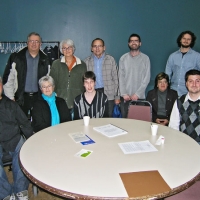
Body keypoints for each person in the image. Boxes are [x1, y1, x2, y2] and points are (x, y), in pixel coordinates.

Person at [3, 32, 50, 118]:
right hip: (20, 98)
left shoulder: (46, 59)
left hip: (39, 98)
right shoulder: (16, 58)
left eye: (37, 41)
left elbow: (49, 80)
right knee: (19, 125)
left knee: (39, 124)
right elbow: (8, 79)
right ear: (27, 43)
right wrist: (11, 98)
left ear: (40, 44)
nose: (34, 44)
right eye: (31, 41)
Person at [0, 76, 33, 200]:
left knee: (22, 153)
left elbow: (24, 122)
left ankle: (20, 190)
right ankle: (5, 194)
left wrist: (31, 139)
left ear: (1, 86)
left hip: (14, 138)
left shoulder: (11, 104)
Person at [50, 39, 87, 114]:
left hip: (77, 102)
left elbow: (84, 83)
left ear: (73, 49)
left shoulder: (82, 64)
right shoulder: (56, 64)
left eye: (69, 47)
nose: (67, 50)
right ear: (61, 50)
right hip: (60, 102)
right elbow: (51, 82)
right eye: (64, 48)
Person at [84, 38, 119, 117]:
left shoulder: (111, 60)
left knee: (108, 118)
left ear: (104, 47)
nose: (97, 48)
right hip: (93, 93)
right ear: (91, 48)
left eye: (100, 46)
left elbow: (116, 79)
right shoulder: (86, 61)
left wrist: (117, 96)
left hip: (109, 93)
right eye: (95, 46)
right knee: (94, 118)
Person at [119, 33, 151, 118]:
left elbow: (146, 78)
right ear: (128, 44)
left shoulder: (145, 59)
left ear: (140, 43)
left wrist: (137, 94)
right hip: (126, 98)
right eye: (131, 41)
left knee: (138, 124)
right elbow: (121, 78)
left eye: (136, 41)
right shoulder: (123, 58)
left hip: (140, 98)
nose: (134, 43)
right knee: (125, 124)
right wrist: (124, 93)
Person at [169, 69, 200, 143]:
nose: (194, 84)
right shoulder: (179, 101)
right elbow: (173, 126)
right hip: (183, 144)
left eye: (197, 81)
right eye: (190, 81)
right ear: (186, 84)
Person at [165, 31, 200, 96]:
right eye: (184, 38)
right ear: (180, 40)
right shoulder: (172, 56)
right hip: (173, 91)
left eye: (188, 39)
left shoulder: (197, 56)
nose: (186, 41)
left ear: (191, 41)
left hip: (189, 93)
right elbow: (168, 74)